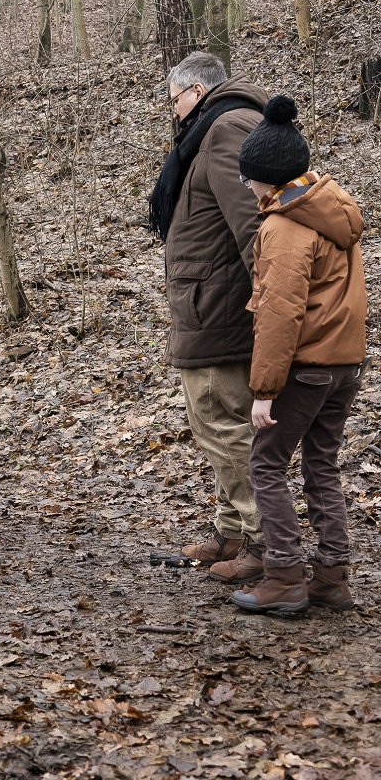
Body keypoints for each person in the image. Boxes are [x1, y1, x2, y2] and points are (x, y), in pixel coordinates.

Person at [231, 95, 367, 614]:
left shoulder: (284, 227)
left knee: (266, 464)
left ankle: (283, 575)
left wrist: (264, 391)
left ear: (268, 176)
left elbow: (279, 314)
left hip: (306, 367)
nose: (248, 187)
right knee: (321, 465)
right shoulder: (335, 209)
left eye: (249, 178)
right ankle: (332, 577)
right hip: (343, 364)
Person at [149, 51, 268, 583]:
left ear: (195, 92)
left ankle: (264, 542)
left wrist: (268, 313)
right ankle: (232, 532)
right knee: (216, 426)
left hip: (219, 313)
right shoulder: (215, 132)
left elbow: (253, 230)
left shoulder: (223, 132)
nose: (172, 112)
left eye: (173, 100)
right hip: (206, 309)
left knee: (225, 426)